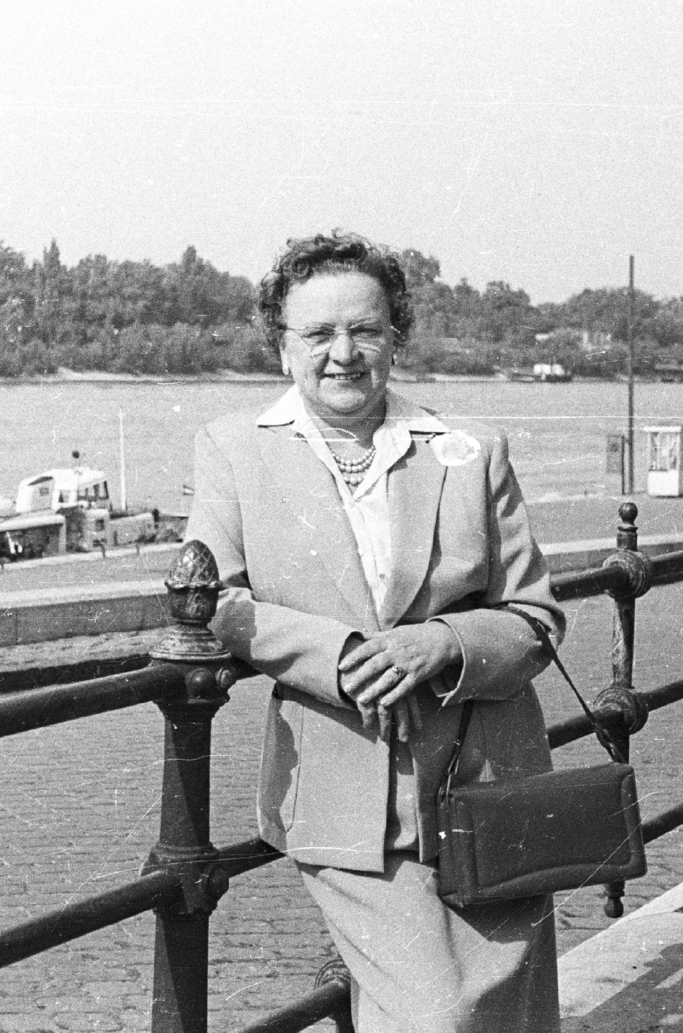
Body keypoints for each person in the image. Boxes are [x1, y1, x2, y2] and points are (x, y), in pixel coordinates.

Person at [186, 232, 564, 1031]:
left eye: (366, 330)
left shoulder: (470, 453)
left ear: (397, 335)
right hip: (343, 792)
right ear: (281, 347)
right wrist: (340, 656)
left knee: (513, 1014)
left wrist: (445, 644)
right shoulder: (233, 449)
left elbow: (535, 616)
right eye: (318, 334)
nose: (344, 353)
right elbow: (211, 598)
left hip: (486, 784)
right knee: (439, 1012)